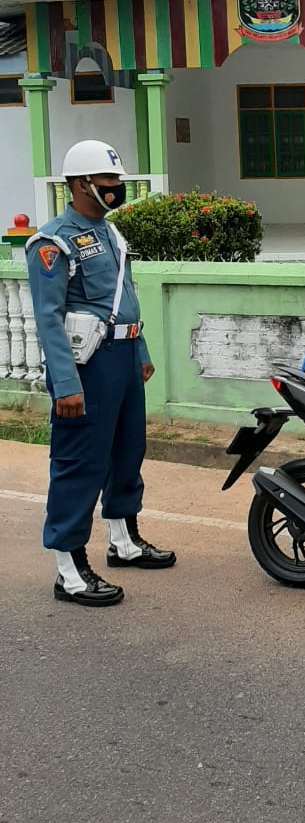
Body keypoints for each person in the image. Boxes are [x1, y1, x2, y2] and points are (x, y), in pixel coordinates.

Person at [25, 140, 176, 608]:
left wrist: (141, 350)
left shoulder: (111, 235)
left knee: (127, 452)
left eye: (117, 181)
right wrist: (65, 383)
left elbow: (123, 297)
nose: (116, 189)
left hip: (124, 356)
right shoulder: (53, 242)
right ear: (78, 184)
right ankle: (69, 569)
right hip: (85, 366)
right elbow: (49, 317)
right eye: (107, 182)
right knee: (79, 463)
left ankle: (123, 540)